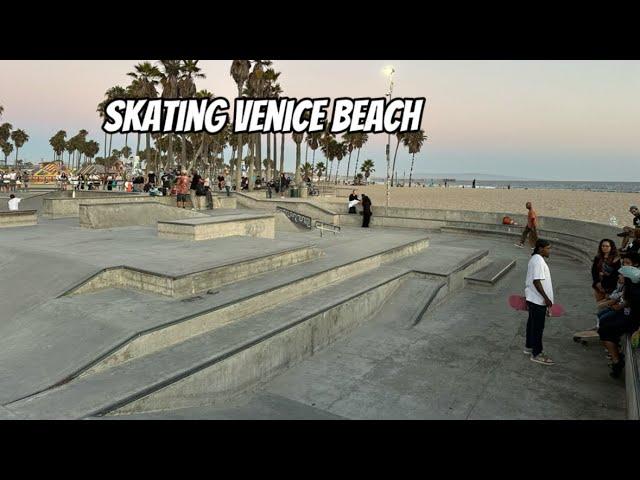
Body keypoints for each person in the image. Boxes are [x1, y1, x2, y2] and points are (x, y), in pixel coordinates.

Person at [598, 265, 640, 377]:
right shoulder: (630, 289)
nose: (619, 276)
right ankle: (616, 356)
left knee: (604, 329)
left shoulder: (636, 293)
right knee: (604, 323)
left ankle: (617, 361)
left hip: (632, 321)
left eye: (621, 275)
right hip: (628, 317)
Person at [524, 239, 555, 365]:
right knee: (538, 327)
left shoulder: (536, 259)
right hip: (537, 300)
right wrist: (546, 299)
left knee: (532, 324)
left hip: (534, 299)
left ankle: (529, 346)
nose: (550, 250)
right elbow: (537, 281)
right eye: (548, 248)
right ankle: (537, 353)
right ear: (541, 248)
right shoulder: (538, 261)